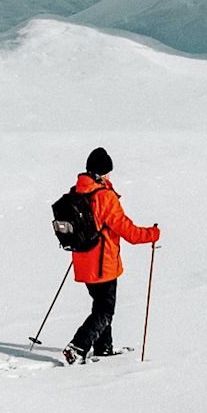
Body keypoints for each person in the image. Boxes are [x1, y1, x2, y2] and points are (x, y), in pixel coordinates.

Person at [63, 146, 160, 365]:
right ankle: (78, 346)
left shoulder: (75, 192)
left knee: (100, 306)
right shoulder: (104, 197)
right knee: (105, 311)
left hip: (82, 261)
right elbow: (129, 232)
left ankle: (103, 348)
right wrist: (152, 234)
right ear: (102, 173)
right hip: (102, 264)